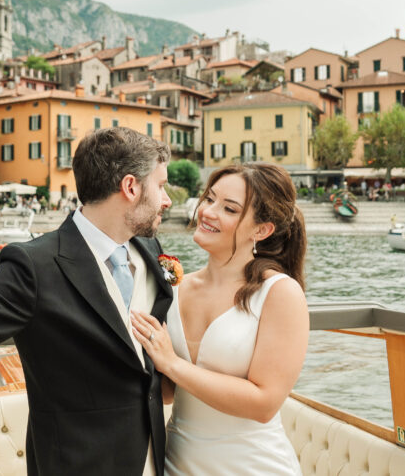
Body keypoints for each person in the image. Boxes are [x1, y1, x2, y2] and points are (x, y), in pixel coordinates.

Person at [0, 127, 173, 475]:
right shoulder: (36, 266)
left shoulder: (149, 249)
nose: (166, 201)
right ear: (131, 187)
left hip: (154, 457)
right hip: (77, 464)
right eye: (161, 186)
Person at [130, 162, 308, 475]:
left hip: (253, 466)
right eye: (210, 199)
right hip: (176, 463)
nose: (208, 212)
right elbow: (169, 392)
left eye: (229, 208)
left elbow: (264, 404)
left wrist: (171, 362)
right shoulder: (175, 287)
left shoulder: (280, 293)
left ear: (262, 229)